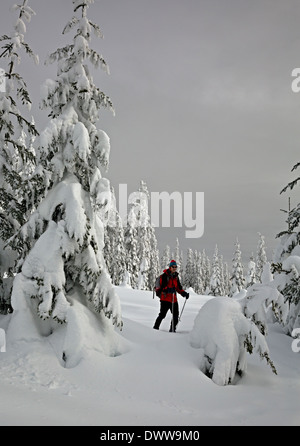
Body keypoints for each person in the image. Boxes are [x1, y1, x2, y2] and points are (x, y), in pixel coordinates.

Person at [153, 260, 189, 332]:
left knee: (176, 316)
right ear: (170, 267)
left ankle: (172, 330)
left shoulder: (176, 277)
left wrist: (184, 294)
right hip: (165, 299)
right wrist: (168, 290)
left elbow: (178, 288)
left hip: (173, 299)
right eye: (173, 266)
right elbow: (162, 287)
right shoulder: (164, 276)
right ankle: (155, 329)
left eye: (176, 267)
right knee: (162, 315)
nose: (174, 268)